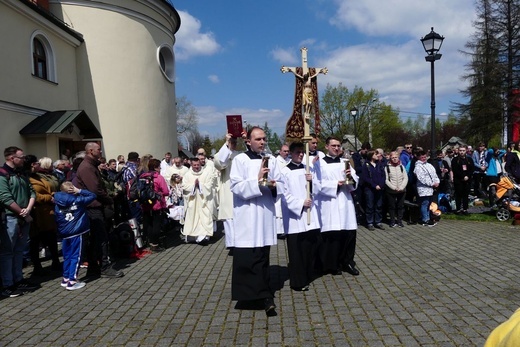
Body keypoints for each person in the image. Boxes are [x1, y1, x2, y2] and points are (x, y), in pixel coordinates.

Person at [229, 126, 281, 316]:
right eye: (258, 139)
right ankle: (252, 296)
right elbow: (235, 186)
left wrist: (275, 185)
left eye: (264, 139)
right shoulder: (240, 160)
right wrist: (257, 180)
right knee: (249, 255)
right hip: (248, 214)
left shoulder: (270, 160)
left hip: (265, 213)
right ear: (248, 141)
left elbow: (281, 182)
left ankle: (265, 294)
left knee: (262, 255)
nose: (262, 142)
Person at [75, 142, 123, 278]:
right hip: (92, 207)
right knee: (100, 239)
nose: (101, 152)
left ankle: (94, 267)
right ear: (90, 151)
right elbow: (95, 189)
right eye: (98, 150)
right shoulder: (86, 167)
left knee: (96, 239)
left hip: (95, 206)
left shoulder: (91, 165)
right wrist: (109, 199)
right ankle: (103, 267)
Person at [315, 136, 359, 277]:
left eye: (338, 145)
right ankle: (330, 265)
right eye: (333, 145)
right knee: (331, 236)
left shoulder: (345, 162)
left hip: (345, 202)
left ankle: (347, 262)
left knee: (348, 233)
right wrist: (335, 185)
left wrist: (350, 179)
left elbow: (355, 179)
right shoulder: (319, 164)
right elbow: (316, 184)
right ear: (326, 146)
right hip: (330, 203)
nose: (336, 148)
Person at [280, 142, 321, 291]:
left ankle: (308, 274)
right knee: (296, 251)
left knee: (308, 248)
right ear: (291, 153)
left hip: (309, 215)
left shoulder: (307, 169)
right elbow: (284, 195)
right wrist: (300, 203)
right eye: (297, 152)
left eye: (302, 152)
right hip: (295, 217)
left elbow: (317, 189)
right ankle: (298, 281)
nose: (301, 154)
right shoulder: (284, 172)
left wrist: (312, 181)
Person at [0, 146, 38, 297]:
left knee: (19, 250)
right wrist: (21, 212)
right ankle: (7, 284)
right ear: (11, 158)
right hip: (10, 217)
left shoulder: (21, 173)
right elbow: (5, 197)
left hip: (24, 217)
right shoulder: (2, 175)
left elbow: (32, 191)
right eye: (20, 157)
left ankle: (18, 278)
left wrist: (28, 209)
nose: (23, 160)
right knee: (7, 251)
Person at [54, 181, 96, 290]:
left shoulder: (57, 202)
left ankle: (66, 278)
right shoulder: (78, 200)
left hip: (65, 233)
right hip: (77, 231)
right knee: (76, 257)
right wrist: (80, 191)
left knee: (67, 256)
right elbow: (93, 195)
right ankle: (72, 281)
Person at [28, 156, 61, 275]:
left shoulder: (40, 176)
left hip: (48, 212)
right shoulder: (27, 178)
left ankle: (56, 261)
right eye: (37, 163)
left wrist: (52, 194)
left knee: (51, 238)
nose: (39, 165)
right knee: (35, 240)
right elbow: (33, 195)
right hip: (37, 212)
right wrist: (49, 197)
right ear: (32, 165)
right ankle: (37, 266)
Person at [213, 134, 240, 250]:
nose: (233, 144)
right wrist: (227, 143)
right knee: (229, 218)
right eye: (231, 142)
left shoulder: (240, 155)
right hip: (228, 189)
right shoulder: (220, 154)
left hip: (240, 189)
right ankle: (232, 244)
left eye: (235, 142)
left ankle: (240, 243)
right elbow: (221, 163)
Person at [182, 157, 216, 245]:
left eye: (198, 165)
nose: (196, 167)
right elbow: (184, 187)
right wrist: (193, 186)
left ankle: (204, 236)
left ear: (200, 164)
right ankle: (194, 236)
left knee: (205, 217)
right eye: (194, 165)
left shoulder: (206, 173)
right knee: (193, 217)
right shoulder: (187, 174)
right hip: (192, 201)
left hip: (204, 201)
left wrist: (200, 185)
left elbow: (209, 185)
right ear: (191, 165)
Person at [139, 159, 170, 252]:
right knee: (156, 224)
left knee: (148, 224)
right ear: (156, 167)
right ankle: (155, 244)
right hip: (157, 204)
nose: (160, 168)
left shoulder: (143, 176)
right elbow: (166, 191)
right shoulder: (159, 177)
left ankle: (150, 242)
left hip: (145, 204)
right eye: (159, 166)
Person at [361, 150, 386, 231]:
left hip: (379, 188)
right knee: (370, 205)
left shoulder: (380, 164)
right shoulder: (366, 165)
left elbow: (383, 176)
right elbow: (366, 178)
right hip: (370, 189)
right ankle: (370, 222)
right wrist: (374, 185)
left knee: (379, 205)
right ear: (371, 155)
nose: (378, 155)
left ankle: (378, 221)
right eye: (376, 154)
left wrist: (381, 185)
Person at [413, 150, 440, 226]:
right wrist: (432, 183)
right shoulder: (418, 167)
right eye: (422, 157)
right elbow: (422, 178)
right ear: (418, 157)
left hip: (431, 188)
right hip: (423, 188)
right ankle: (425, 219)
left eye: (425, 157)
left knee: (429, 203)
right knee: (424, 203)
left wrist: (437, 182)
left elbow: (434, 174)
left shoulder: (429, 165)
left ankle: (428, 217)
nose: (424, 158)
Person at [385, 151, 408, 228]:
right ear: (390, 158)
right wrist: (394, 187)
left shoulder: (401, 166)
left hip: (402, 190)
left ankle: (399, 221)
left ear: (398, 158)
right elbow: (386, 180)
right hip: (391, 190)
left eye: (396, 157)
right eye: (393, 157)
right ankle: (392, 221)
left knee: (400, 206)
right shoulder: (387, 167)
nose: (394, 159)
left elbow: (405, 178)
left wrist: (401, 187)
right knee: (392, 206)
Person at [451, 146, 475, 215]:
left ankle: (465, 209)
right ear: (458, 151)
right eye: (460, 150)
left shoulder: (469, 159)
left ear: (466, 151)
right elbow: (455, 170)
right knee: (458, 195)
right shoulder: (455, 160)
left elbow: (472, 169)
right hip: (458, 180)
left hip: (467, 180)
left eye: (463, 150)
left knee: (465, 195)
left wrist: (468, 176)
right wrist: (463, 176)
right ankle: (458, 209)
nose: (462, 152)